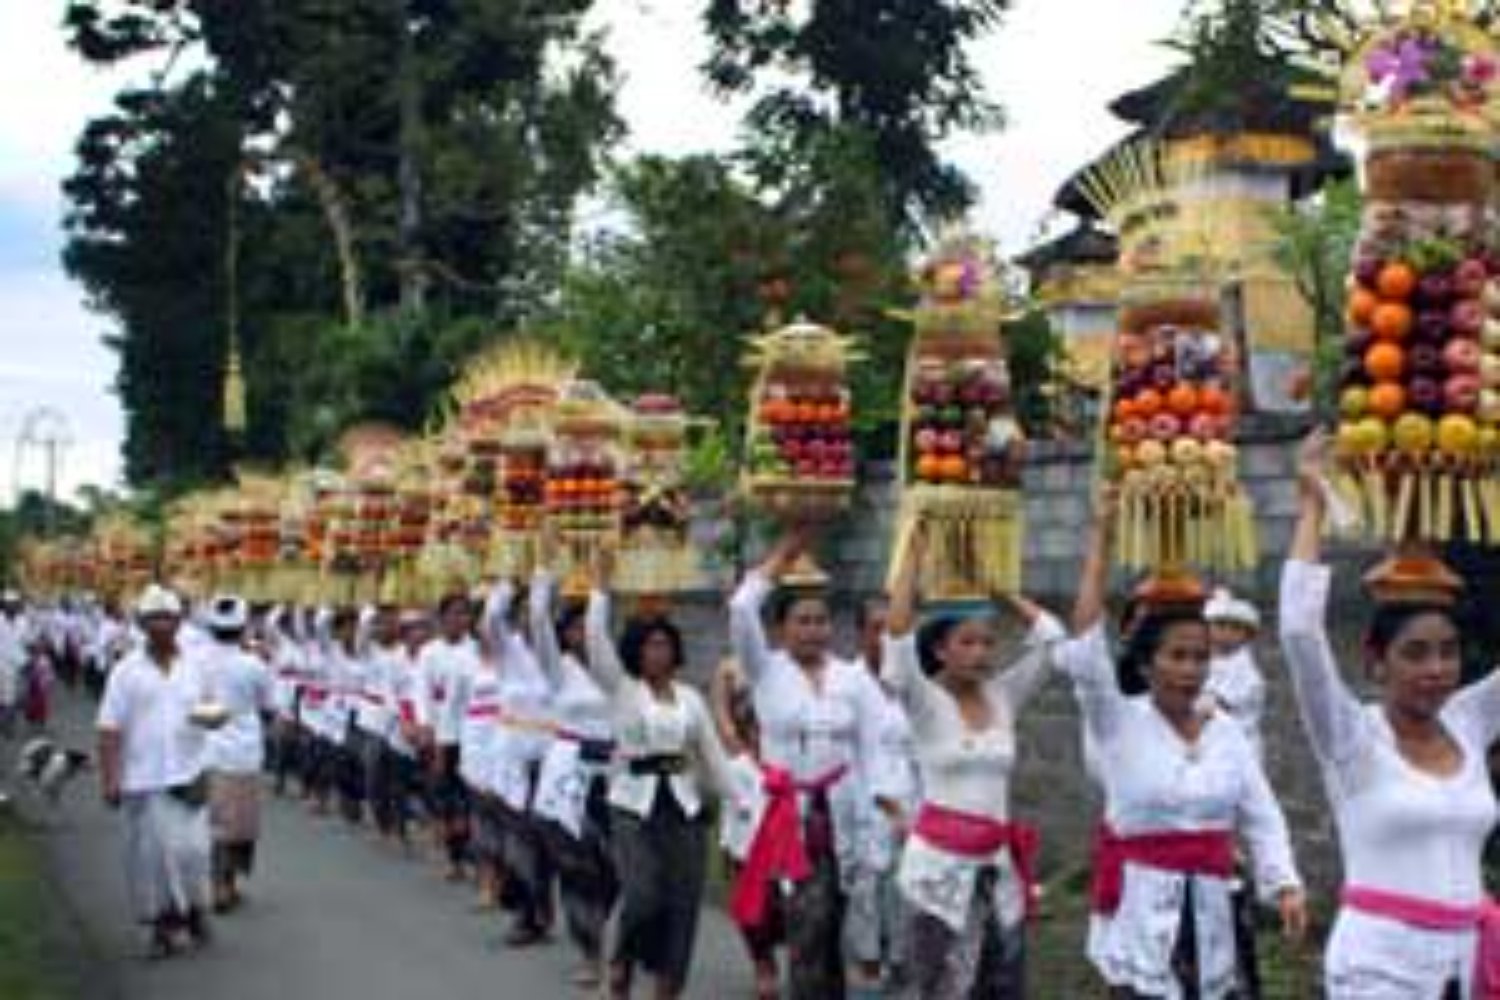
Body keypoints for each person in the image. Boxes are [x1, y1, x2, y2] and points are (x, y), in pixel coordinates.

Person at [1059, 491, 1307, 999]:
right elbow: (1084, 649)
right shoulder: (1119, 721)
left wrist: (1284, 882)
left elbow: (1261, 813)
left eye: (1200, 657)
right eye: (1177, 656)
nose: (1191, 670)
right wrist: (1101, 539)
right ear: (1146, 663)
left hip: (1217, 906)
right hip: (1143, 913)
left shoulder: (1226, 731)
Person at [1283, 430, 1500, 999]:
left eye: (1448, 652)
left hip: (1466, 962)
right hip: (1379, 968)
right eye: (1416, 653)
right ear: (1377, 662)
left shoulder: (1469, 723)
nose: (1436, 669)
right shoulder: (1350, 736)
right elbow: (1300, 633)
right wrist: (1312, 505)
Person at [884, 522, 1066, 999]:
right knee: (938, 987)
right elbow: (897, 636)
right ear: (939, 649)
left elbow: (1053, 640)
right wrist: (913, 556)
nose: (981, 652)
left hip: (997, 870)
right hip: (937, 874)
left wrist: (998, 587)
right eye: (967, 642)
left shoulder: (1004, 695)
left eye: (988, 642)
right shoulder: (925, 700)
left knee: (1000, 986)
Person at [728, 528, 886, 1000]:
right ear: (780, 629)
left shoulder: (852, 678)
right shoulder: (765, 670)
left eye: (820, 620)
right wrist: (782, 555)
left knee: (837, 927)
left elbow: (872, 751)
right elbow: (741, 608)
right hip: (789, 817)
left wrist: (877, 815)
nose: (813, 630)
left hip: (845, 813)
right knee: (807, 927)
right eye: (802, 621)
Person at [585, 551, 734, 999]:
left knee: (683, 903)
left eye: (665, 645)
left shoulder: (689, 698)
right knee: (643, 894)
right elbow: (596, 641)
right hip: (633, 802)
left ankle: (668, 985)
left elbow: (711, 754)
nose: (659, 652)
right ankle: (621, 955)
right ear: (636, 650)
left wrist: (741, 800)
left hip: (683, 805)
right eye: (651, 645)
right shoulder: (623, 689)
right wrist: (599, 590)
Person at [96, 584, 215, 958]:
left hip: (191, 773)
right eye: (154, 618)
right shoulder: (125, 672)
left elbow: (209, 708)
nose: (162, 625)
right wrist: (110, 778)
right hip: (144, 778)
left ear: (179, 622)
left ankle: (194, 909)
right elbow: (109, 729)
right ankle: (162, 923)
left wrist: (215, 721)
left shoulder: (195, 666)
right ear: (142, 624)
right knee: (155, 857)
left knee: (194, 851)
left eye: (168, 617)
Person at [530, 569, 618, 986]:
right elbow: (537, 618)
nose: (583, 634)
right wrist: (543, 575)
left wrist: (604, 587)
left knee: (614, 870)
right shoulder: (557, 668)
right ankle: (589, 952)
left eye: (589, 627)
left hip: (613, 772)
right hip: (568, 775)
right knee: (577, 868)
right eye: (575, 628)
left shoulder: (613, 667)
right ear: (564, 635)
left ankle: (610, 940)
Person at [845, 595, 920, 998]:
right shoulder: (846, 683)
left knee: (909, 908)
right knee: (866, 907)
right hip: (863, 811)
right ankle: (869, 979)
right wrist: (880, 802)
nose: (887, 640)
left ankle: (902, 978)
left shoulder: (917, 686)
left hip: (914, 812)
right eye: (878, 629)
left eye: (896, 632)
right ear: (860, 634)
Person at [199, 593, 274, 912]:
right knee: (240, 826)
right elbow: (268, 704)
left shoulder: (197, 661)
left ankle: (222, 883)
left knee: (218, 823)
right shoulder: (253, 665)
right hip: (243, 753)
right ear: (243, 627)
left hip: (208, 750)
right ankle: (224, 885)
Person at [416, 593, 477, 882]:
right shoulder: (429, 652)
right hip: (443, 735)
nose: (460, 619)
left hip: (475, 736)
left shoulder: (475, 649)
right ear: (442, 619)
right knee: (447, 799)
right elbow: (422, 692)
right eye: (454, 614)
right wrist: (426, 726)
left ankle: (474, 858)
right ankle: (455, 860)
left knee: (470, 800)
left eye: (465, 614)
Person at [1201, 588, 1266, 761]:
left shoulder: (1244, 669)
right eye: (1220, 625)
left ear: (1248, 635)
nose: (1227, 633)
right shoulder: (1203, 658)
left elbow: (1218, 705)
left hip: (1237, 744)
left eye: (1236, 628)